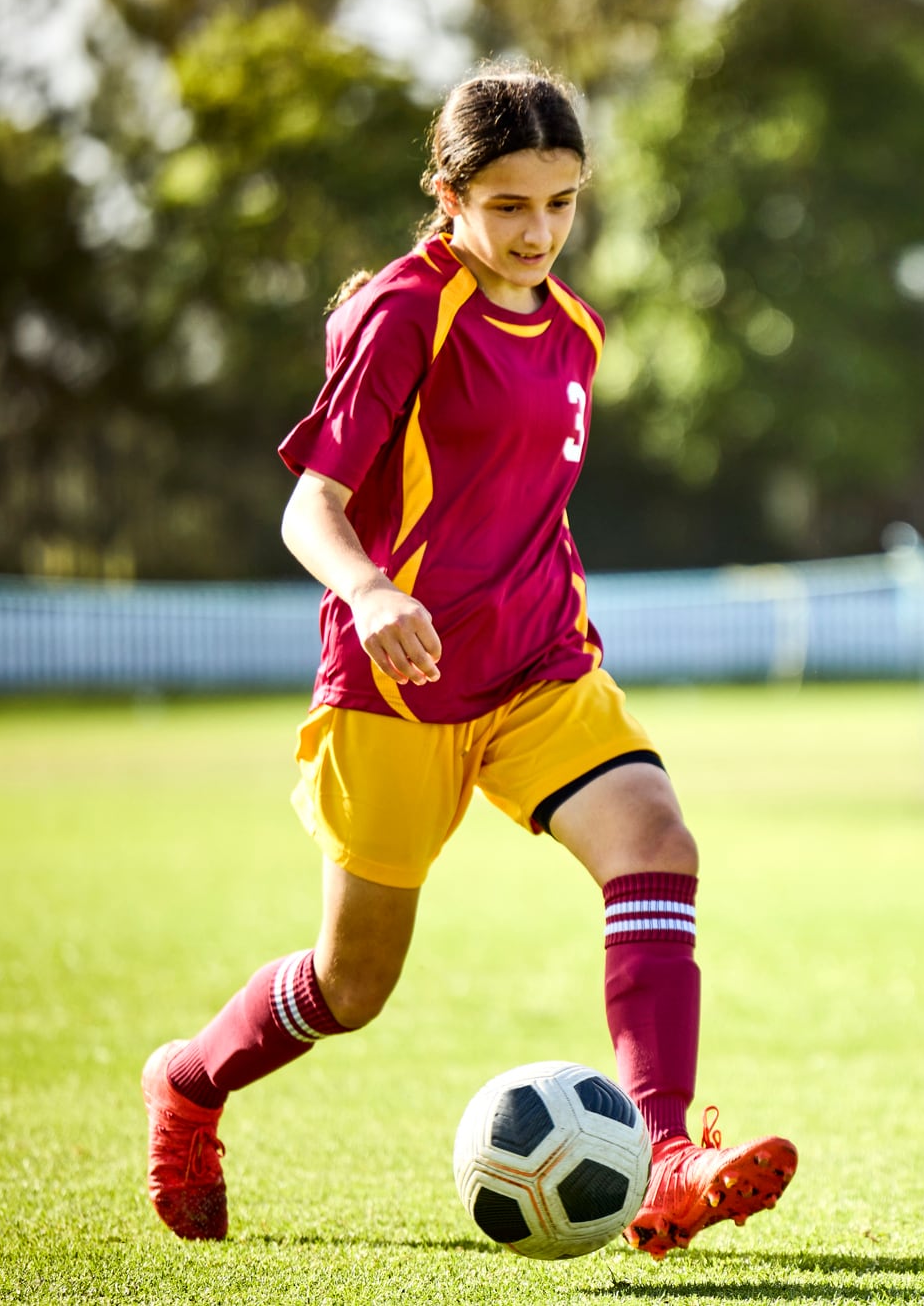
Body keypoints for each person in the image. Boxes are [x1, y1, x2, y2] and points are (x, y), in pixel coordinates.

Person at [139, 67, 795, 1258]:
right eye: (507, 206)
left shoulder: (580, 332)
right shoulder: (405, 312)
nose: (537, 232)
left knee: (658, 842)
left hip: (541, 664)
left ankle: (667, 1159)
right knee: (353, 985)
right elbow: (310, 509)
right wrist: (373, 588)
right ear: (448, 196)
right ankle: (189, 1082)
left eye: (560, 203)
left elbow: (519, 505)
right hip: (397, 687)